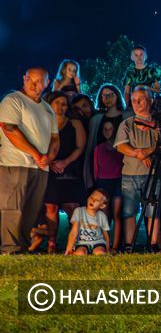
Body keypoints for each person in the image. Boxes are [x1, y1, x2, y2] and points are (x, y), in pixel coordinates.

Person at [0, 68, 59, 254]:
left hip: (40, 167)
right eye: (31, 80)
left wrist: (48, 157)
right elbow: (9, 129)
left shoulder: (47, 109)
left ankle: (22, 248)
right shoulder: (13, 100)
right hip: (15, 164)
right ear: (24, 79)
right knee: (12, 209)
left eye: (39, 81)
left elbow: (55, 138)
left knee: (31, 210)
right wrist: (37, 154)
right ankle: (9, 249)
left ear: (47, 83)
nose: (34, 85)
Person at [114, 86, 161, 249]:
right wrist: (138, 153)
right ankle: (129, 245)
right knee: (129, 211)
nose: (136, 103)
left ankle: (153, 244)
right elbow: (120, 146)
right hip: (130, 173)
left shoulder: (157, 124)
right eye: (133, 100)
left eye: (140, 99)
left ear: (150, 100)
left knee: (153, 212)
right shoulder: (126, 124)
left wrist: (147, 152)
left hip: (153, 174)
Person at [42, 91, 86, 253]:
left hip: (70, 169)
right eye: (57, 103)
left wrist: (65, 162)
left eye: (64, 104)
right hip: (49, 168)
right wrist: (51, 162)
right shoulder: (43, 123)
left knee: (72, 206)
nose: (60, 107)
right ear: (49, 104)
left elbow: (80, 147)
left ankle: (77, 243)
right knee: (51, 207)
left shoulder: (74, 123)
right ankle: (51, 244)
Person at [84, 84, 126, 191]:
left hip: (123, 168)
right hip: (102, 171)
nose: (107, 98)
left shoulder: (127, 117)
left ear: (117, 95)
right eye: (103, 95)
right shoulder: (96, 119)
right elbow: (91, 146)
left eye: (110, 94)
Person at [93, 119, 124, 251]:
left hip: (117, 181)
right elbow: (95, 168)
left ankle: (116, 245)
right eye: (105, 129)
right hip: (103, 182)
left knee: (117, 214)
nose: (107, 132)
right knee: (104, 216)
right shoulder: (98, 148)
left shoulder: (120, 148)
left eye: (110, 129)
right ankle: (104, 244)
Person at [64, 189, 110, 255]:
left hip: (98, 242)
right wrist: (68, 249)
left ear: (102, 206)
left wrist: (107, 249)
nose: (93, 201)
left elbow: (105, 234)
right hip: (82, 242)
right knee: (80, 253)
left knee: (99, 253)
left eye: (97, 200)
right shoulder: (78, 211)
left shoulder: (101, 216)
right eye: (91, 197)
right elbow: (74, 231)